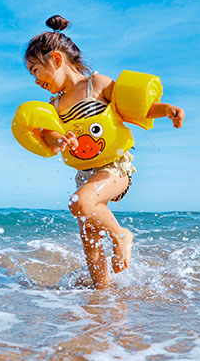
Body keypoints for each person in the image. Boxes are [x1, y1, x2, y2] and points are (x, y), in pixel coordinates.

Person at [24, 15, 185, 289]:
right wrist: (60, 139)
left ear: (56, 60)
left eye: (35, 70)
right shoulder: (55, 104)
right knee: (89, 237)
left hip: (115, 168)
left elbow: (136, 108)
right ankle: (102, 298)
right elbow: (49, 133)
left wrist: (166, 109)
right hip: (84, 174)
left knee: (79, 204)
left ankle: (122, 236)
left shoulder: (96, 85)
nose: (35, 79)